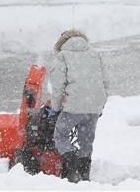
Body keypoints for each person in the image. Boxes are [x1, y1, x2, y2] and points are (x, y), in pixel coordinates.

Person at [48, 29, 109, 183]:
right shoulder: (95, 54)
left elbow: (57, 87)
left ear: (61, 42)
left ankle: (71, 167)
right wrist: (100, 105)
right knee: (86, 141)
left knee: (60, 134)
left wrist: (55, 109)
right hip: (94, 105)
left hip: (73, 106)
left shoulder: (62, 56)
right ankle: (84, 175)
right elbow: (106, 82)